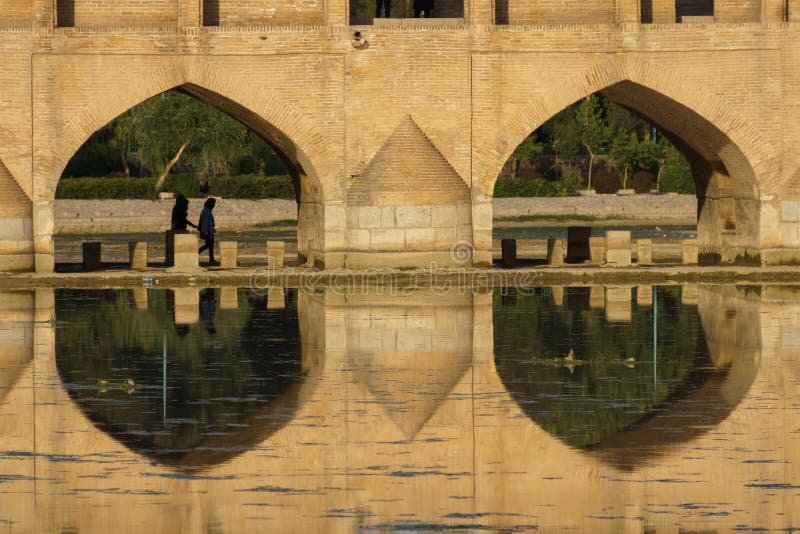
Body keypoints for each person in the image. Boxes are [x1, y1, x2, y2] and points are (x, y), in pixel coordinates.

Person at [198, 198, 217, 265]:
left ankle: (211, 259)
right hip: (207, 232)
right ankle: (198, 252)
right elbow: (205, 222)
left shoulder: (206, 210)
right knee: (209, 245)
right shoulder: (206, 211)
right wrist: (206, 232)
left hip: (209, 231)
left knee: (210, 245)